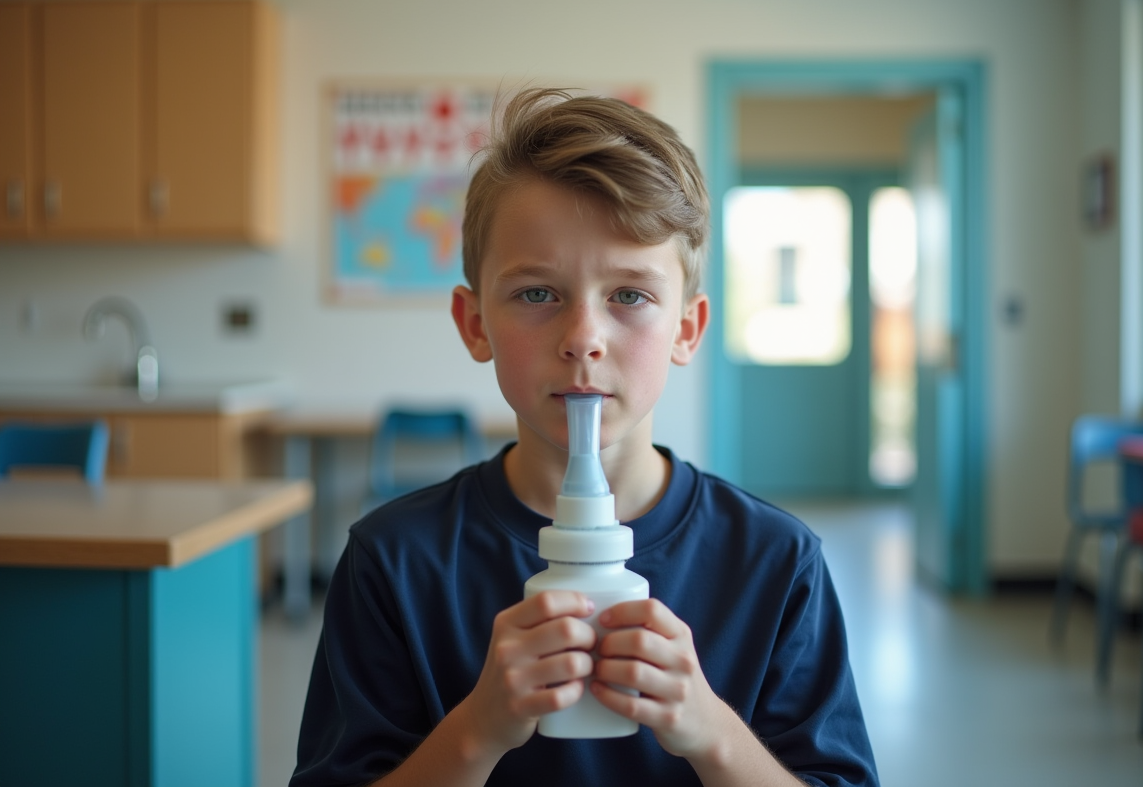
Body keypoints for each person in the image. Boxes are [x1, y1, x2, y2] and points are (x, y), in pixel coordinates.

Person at [291, 88, 878, 787]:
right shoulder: (392, 563)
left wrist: (712, 732)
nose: (583, 340)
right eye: (538, 294)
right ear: (474, 323)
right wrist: (476, 731)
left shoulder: (777, 564)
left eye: (629, 296)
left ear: (686, 329)